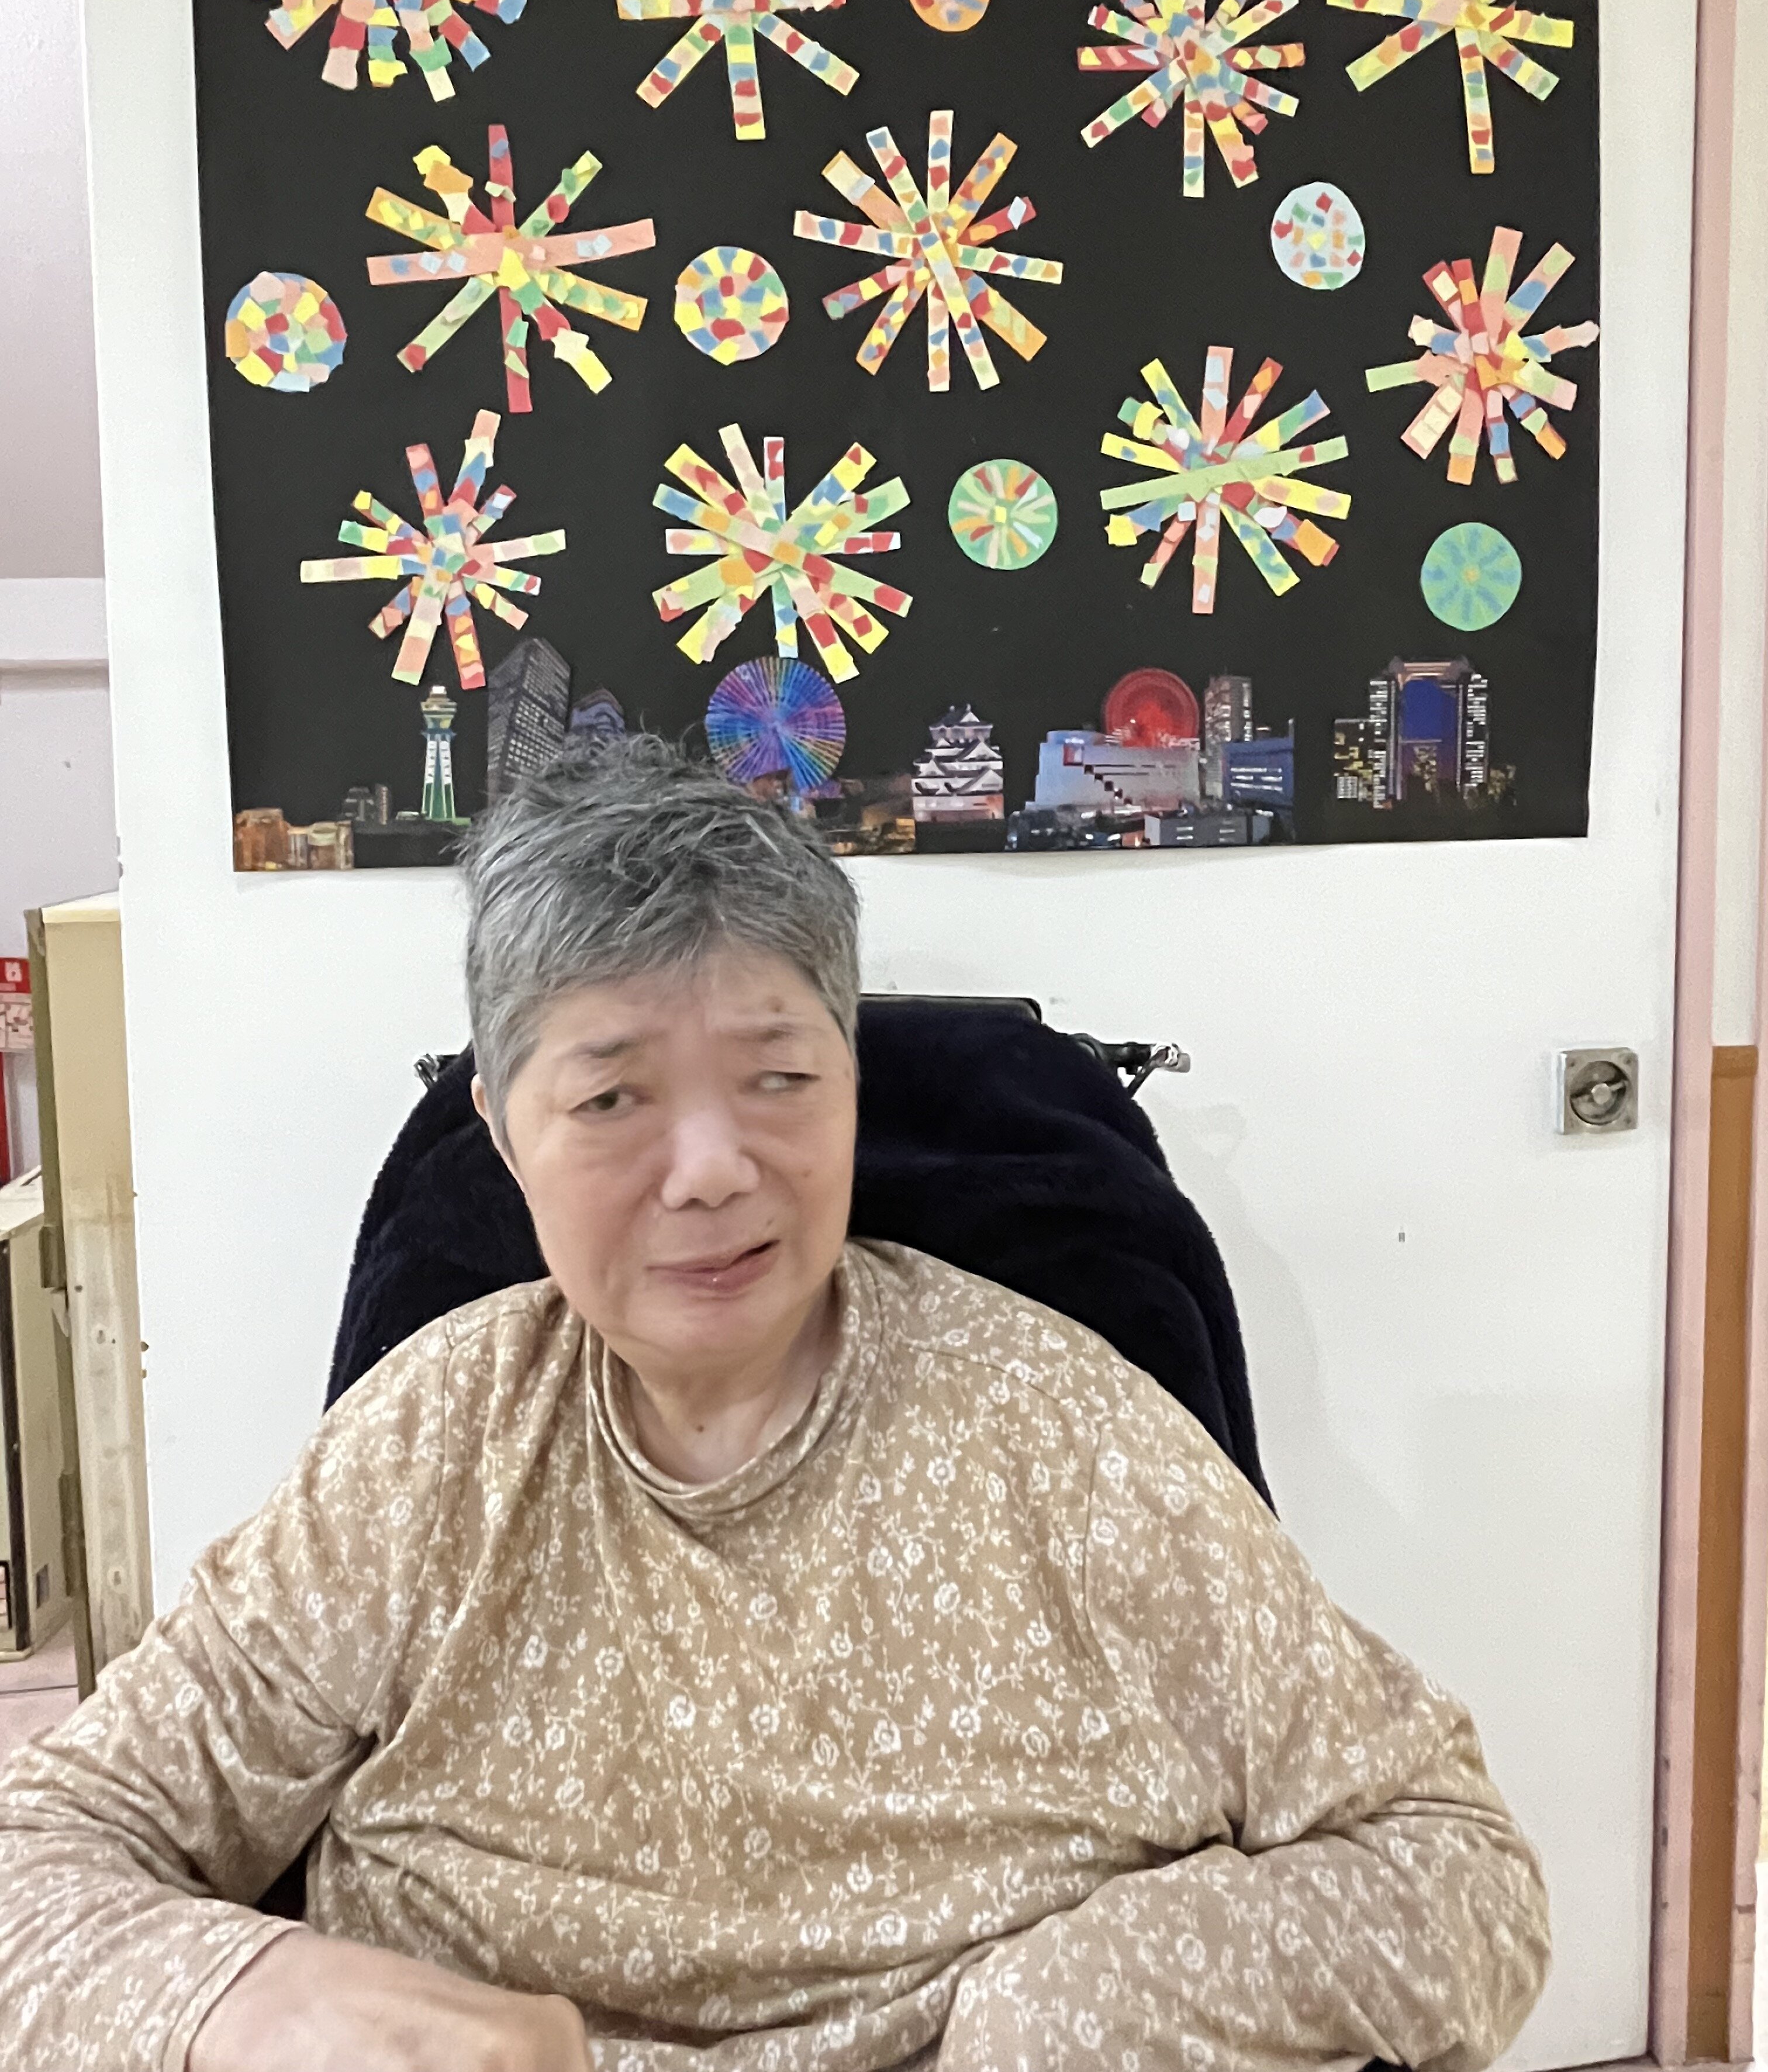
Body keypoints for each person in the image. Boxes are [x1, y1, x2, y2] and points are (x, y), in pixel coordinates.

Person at [0, 737, 1550, 2072]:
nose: (711, 1168)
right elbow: (40, 1859)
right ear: (502, 1131)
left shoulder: (1068, 1439)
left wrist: (1071, 2013)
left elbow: (1459, 1879)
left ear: (853, 1081)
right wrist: (258, 1992)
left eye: (779, 1078)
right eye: (612, 1097)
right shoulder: (425, 1453)